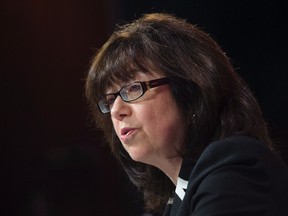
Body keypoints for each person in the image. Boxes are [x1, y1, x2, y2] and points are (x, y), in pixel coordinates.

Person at [85, 13, 288, 215]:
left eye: (132, 89)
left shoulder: (235, 170)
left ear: (189, 91)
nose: (116, 110)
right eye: (110, 100)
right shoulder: (173, 201)